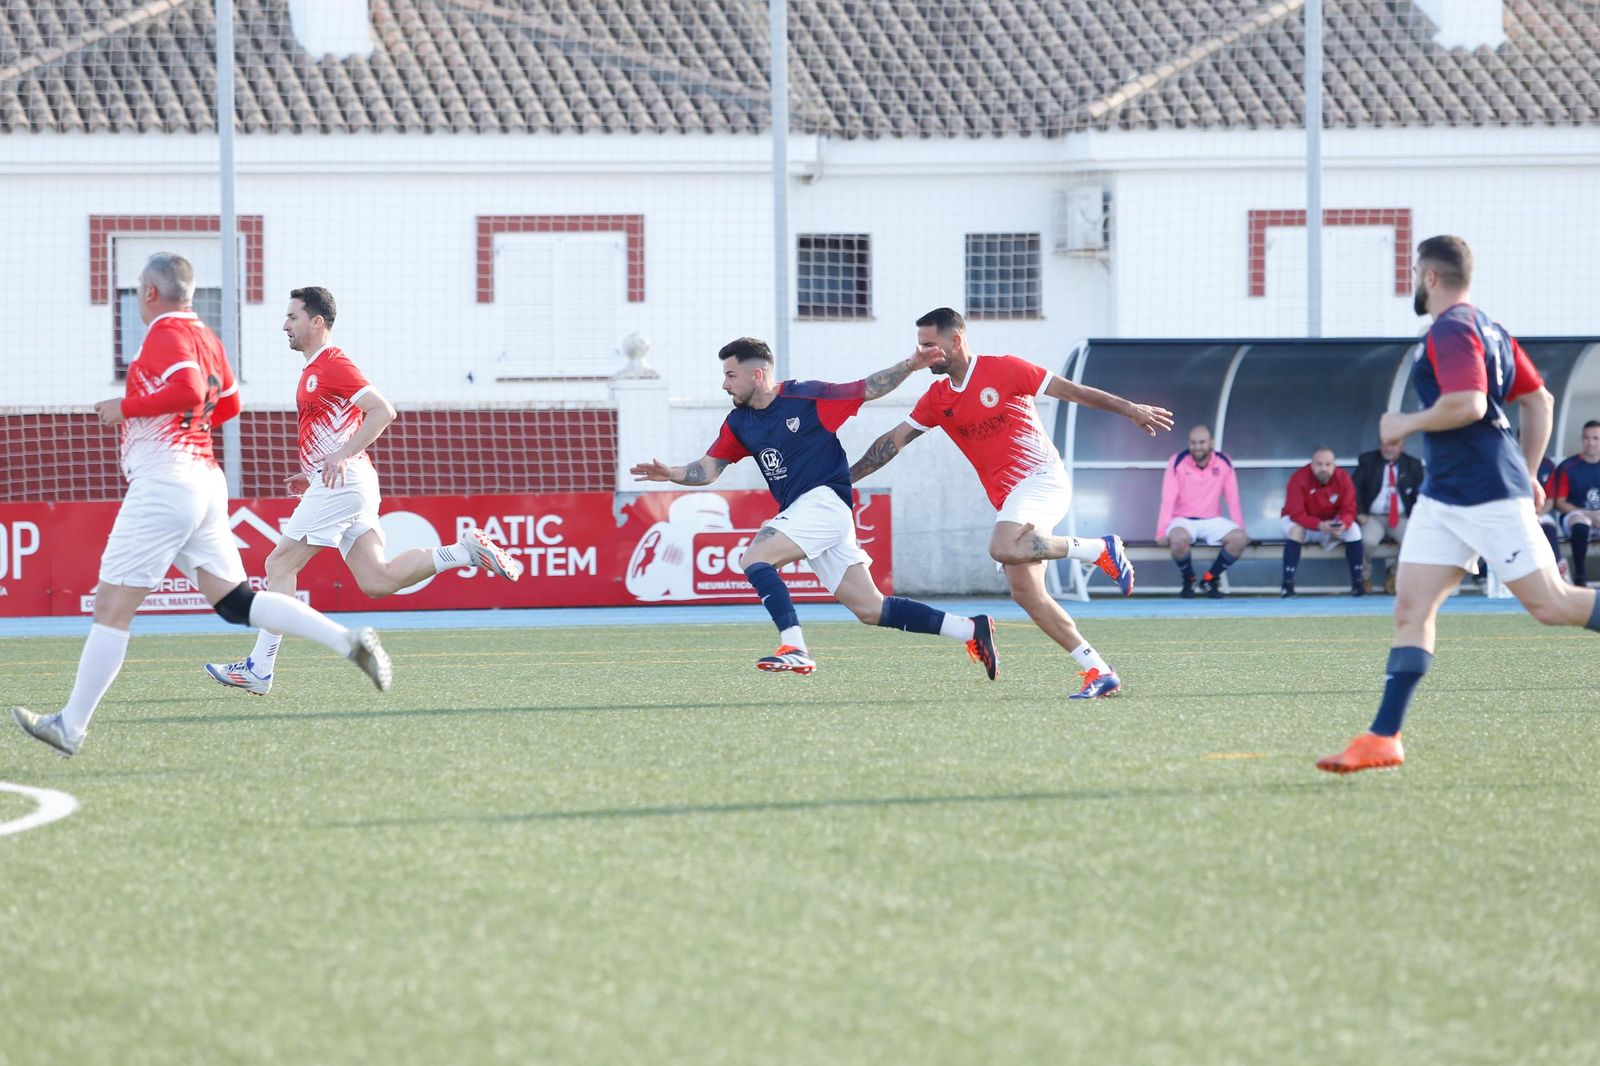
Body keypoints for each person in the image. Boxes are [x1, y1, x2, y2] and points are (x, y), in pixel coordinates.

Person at [12, 255, 392, 758]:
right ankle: (348, 642)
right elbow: (228, 404)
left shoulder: (164, 334)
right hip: (204, 481)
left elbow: (190, 389)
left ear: (149, 293)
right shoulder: (206, 339)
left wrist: (122, 408)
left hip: (165, 483)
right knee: (237, 604)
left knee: (111, 606)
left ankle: (71, 727)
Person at [1318, 236, 1600, 774]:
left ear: (1430, 277)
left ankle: (1383, 736)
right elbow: (1538, 400)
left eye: (1414, 272)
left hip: (1486, 490)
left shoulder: (1449, 329)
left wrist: (1406, 422)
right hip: (1446, 495)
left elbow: (1469, 404)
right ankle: (1383, 737)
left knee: (1552, 605)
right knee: (1411, 608)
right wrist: (1535, 473)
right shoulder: (1487, 327)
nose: (1411, 283)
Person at [203, 288, 520, 696]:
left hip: (345, 481)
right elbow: (338, 428)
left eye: (292, 317)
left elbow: (382, 410)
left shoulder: (333, 363)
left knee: (279, 564)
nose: (285, 325)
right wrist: (316, 469)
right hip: (347, 481)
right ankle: (463, 553)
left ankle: (259, 669)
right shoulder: (314, 369)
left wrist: (340, 456)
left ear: (317, 322)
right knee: (377, 580)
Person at [848, 308, 1173, 699]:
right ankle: (1099, 670)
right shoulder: (936, 398)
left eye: (930, 344)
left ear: (956, 341)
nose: (924, 353)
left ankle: (1098, 548)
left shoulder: (1006, 370)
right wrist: (843, 480)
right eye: (920, 345)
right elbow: (892, 442)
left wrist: (1131, 409)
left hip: (1042, 479)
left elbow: (1074, 392)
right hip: (1012, 499)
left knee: (1002, 547)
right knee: (1026, 593)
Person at [629, 337, 999, 677]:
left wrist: (910, 365)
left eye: (730, 375)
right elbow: (708, 469)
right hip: (813, 513)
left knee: (754, 558)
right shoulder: (740, 422)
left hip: (824, 501)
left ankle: (795, 646)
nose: (725, 384)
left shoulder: (807, 398)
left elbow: (867, 388)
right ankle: (970, 628)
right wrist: (672, 473)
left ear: (757, 374)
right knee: (871, 609)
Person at [1156, 425, 1248, 598]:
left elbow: (1232, 498)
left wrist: (1240, 527)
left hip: (1212, 519)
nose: (1197, 447)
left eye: (1202, 442)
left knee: (1239, 539)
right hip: (1183, 519)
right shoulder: (1177, 461)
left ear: (1211, 443)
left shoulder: (1224, 461)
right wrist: (1161, 531)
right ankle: (1189, 579)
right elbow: (1167, 499)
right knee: (1177, 540)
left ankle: (1209, 579)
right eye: (1193, 443)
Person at [1280, 446, 1365, 597]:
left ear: (1334, 465)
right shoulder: (1298, 478)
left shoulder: (1343, 478)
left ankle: (1358, 583)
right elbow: (1296, 513)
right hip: (1301, 522)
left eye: (1328, 464)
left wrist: (1343, 524)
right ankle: (1287, 585)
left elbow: (1349, 509)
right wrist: (1318, 525)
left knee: (1354, 530)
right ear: (1312, 464)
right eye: (1319, 464)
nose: (1323, 468)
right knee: (1296, 530)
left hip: (1328, 523)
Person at [1354, 437, 1424, 594]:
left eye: (1393, 445)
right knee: (1366, 541)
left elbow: (1420, 495)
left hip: (1400, 517)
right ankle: (1364, 577)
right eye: (1384, 444)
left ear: (1402, 446)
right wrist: (1359, 512)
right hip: (1373, 517)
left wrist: (1417, 518)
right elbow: (1354, 487)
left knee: (1416, 542)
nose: (1388, 449)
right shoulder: (1368, 461)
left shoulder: (1413, 465)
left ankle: (1393, 574)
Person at [1550, 420, 1600, 587]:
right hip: (1575, 515)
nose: (1591, 443)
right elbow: (1559, 503)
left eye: (1595, 438)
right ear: (1582, 440)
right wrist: (1588, 513)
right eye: (1587, 438)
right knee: (1581, 523)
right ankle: (1580, 577)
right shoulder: (1568, 467)